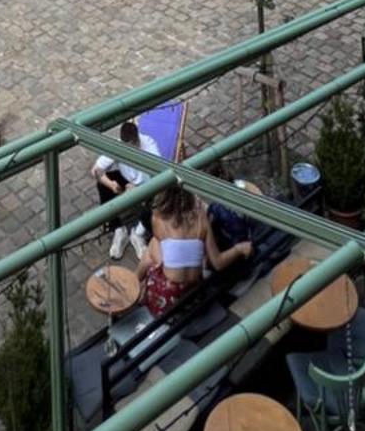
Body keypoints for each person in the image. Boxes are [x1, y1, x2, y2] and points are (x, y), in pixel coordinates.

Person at [140, 183, 252, 316]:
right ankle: (139, 285)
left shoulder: (157, 219)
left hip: (166, 301)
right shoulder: (201, 218)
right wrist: (239, 249)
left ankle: (135, 287)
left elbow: (162, 245)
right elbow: (218, 263)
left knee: (151, 247)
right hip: (195, 296)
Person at [91, 118, 161, 260]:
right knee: (102, 184)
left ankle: (138, 233)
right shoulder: (118, 146)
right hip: (127, 181)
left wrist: (138, 189)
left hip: (146, 185)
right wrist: (111, 185)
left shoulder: (149, 146)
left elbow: (159, 177)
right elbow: (95, 170)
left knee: (158, 195)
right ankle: (118, 229)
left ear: (137, 141)